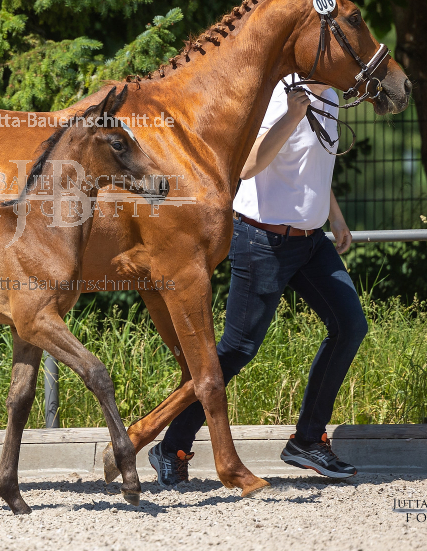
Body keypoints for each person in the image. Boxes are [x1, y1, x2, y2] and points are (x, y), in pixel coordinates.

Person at [148, 74, 366, 485]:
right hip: (263, 239)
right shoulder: (275, 96)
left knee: (350, 325)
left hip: (311, 242)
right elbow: (247, 166)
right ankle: (171, 445)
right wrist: (291, 115)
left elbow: (315, 164)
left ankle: (307, 441)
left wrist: (334, 215)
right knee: (237, 349)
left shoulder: (332, 98)